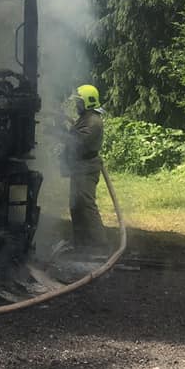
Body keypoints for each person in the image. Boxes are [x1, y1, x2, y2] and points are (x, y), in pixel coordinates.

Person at [64, 84, 107, 252]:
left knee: (86, 205)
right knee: (76, 205)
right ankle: (81, 244)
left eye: (79, 102)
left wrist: (60, 133)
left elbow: (78, 143)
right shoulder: (85, 118)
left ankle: (99, 245)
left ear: (88, 102)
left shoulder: (93, 122)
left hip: (87, 168)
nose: (77, 105)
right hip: (80, 166)